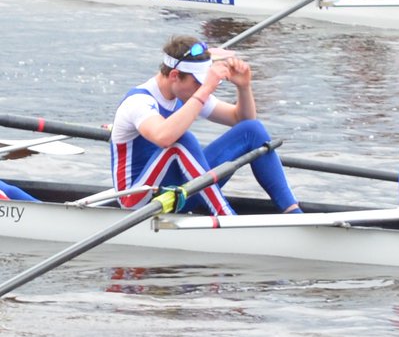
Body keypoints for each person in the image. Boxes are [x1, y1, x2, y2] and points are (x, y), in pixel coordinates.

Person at [110, 35, 301, 216]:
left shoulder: (186, 92)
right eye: (198, 83)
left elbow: (242, 119)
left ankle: (294, 214)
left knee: (252, 130)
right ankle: (227, 217)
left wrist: (243, 87)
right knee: (181, 141)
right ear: (175, 75)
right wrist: (206, 88)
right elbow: (163, 137)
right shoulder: (138, 102)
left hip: (177, 192)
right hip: (138, 200)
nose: (202, 89)